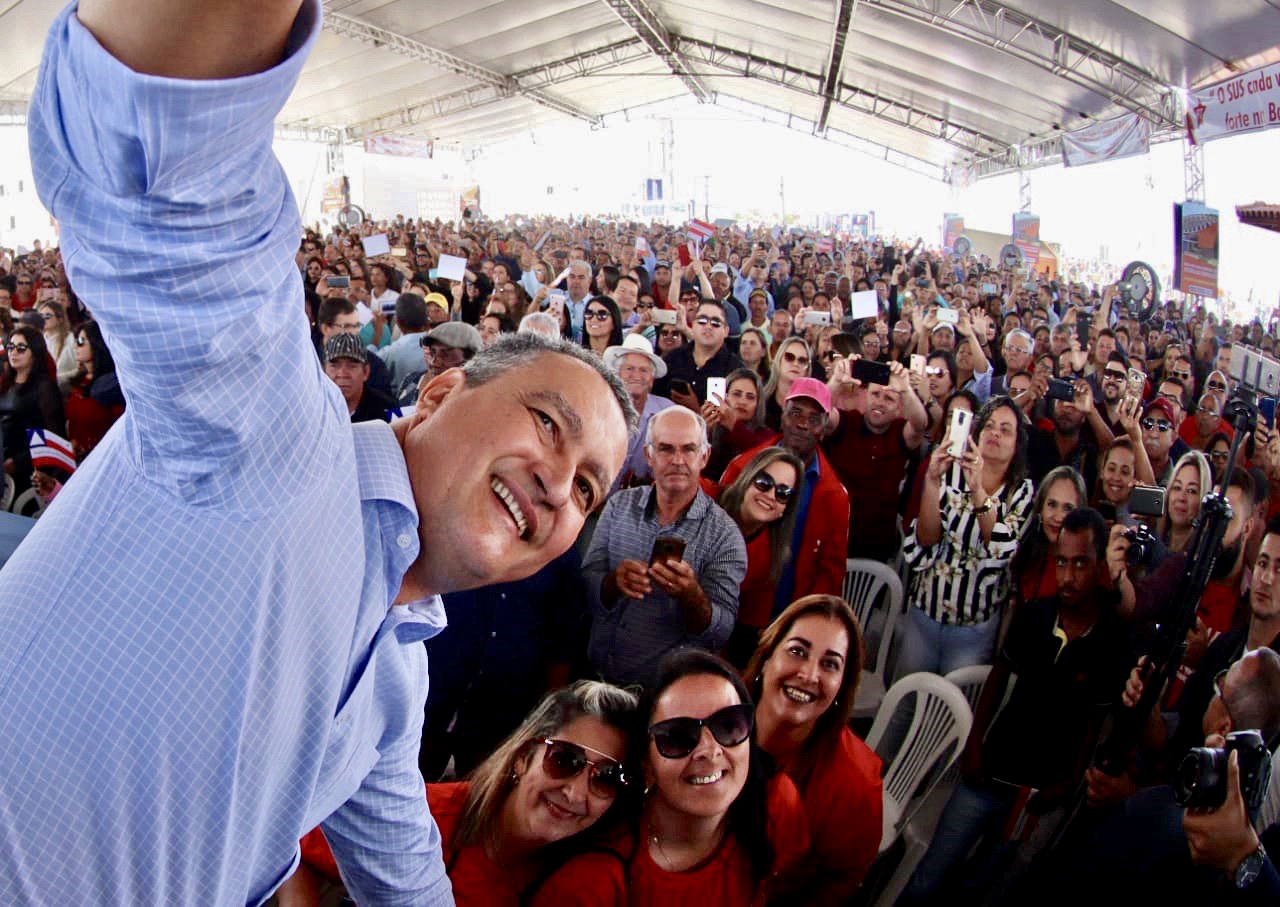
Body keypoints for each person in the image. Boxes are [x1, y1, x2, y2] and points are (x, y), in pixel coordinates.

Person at [2, 5, 636, 901]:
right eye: (547, 421)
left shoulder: (393, 672)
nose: (558, 486)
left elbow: (407, 869)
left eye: (587, 490)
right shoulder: (279, 440)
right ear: (441, 391)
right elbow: (165, 186)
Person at [901, 508, 1134, 904]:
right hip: (990, 771)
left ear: (1099, 567)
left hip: (1038, 793)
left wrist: (1068, 781)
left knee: (982, 886)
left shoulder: (1112, 640)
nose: (1069, 576)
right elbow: (997, 678)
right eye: (1062, 562)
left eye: (1080, 563)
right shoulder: (1034, 615)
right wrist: (974, 746)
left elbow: (1095, 721)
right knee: (929, 876)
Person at [286, 681, 640, 906]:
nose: (576, 792)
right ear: (522, 758)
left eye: (607, 778)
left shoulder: (586, 876)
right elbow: (298, 845)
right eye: (564, 760)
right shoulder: (424, 817)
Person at [528, 650, 810, 906]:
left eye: (729, 725)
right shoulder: (589, 885)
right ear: (646, 765)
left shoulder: (774, 809)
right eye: (678, 736)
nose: (709, 751)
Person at [584, 406, 747, 688]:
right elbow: (585, 584)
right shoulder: (619, 506)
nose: (677, 460)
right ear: (648, 455)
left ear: (704, 456)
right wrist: (612, 583)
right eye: (666, 449)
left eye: (688, 449)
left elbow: (721, 632)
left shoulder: (725, 536)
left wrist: (692, 596)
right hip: (594, 677)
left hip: (662, 695)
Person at [745, 595, 883, 901]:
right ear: (767, 656)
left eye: (830, 664)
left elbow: (840, 882)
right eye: (797, 651)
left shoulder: (856, 782)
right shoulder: (713, 713)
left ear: (841, 687)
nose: (808, 675)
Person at [898, 396, 1035, 677]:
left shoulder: (1021, 492)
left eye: (1005, 429)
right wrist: (933, 482)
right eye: (989, 426)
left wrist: (978, 491)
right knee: (905, 702)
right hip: (926, 610)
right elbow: (926, 539)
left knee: (951, 713)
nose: (995, 433)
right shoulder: (952, 471)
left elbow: (1001, 548)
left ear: (1017, 443)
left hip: (973, 628)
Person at [720, 378, 850, 617]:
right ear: (782, 415)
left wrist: (810, 620)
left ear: (823, 429)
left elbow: (830, 573)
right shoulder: (742, 467)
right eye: (796, 413)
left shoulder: (835, 496)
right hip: (732, 604)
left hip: (790, 616)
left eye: (814, 419)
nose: (802, 424)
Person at [822, 355, 928, 562]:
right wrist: (836, 381)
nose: (880, 402)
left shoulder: (900, 433)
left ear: (899, 408)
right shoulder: (847, 421)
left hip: (876, 546)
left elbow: (920, 425)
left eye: (889, 398)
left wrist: (905, 389)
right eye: (876, 394)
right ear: (866, 396)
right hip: (834, 538)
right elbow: (819, 411)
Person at [716, 447, 803, 666]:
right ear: (747, 479)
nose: (771, 496)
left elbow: (747, 632)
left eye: (783, 493)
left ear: (785, 508)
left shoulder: (770, 556)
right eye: (764, 483)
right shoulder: (706, 498)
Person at [602, 333, 673, 489]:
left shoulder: (668, 411)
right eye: (629, 369)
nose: (636, 376)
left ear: (652, 379)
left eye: (643, 370)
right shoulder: (599, 407)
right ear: (617, 374)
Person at [0, 324, 65, 493]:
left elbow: (54, 435)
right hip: (4, 456)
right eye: (11, 347)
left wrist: (18, 461)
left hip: (30, 467)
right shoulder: (6, 382)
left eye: (21, 348)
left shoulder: (44, 387)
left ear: (35, 352)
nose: (13, 352)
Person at [1012, 465, 1087, 603]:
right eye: (1052, 504)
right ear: (1041, 507)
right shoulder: (1024, 554)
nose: (1058, 517)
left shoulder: (1085, 567)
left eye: (1068, 508)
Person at [656, 299, 743, 411]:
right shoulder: (672, 359)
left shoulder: (735, 369)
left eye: (715, 323)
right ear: (692, 325)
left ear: (726, 331)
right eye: (702, 320)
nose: (708, 326)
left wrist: (697, 410)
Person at [64, 319, 125, 461]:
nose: (75, 346)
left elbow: (117, 432)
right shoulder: (78, 382)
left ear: (98, 343)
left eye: (81, 341)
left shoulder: (112, 387)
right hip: (78, 458)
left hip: (105, 459)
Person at [1159, 450, 1211, 554]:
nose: (1181, 498)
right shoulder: (1155, 540)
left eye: (1191, 491)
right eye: (1177, 488)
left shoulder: (1202, 554)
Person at [760, 336, 811, 432]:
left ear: (807, 369)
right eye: (789, 357)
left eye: (802, 360)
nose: (795, 363)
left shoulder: (811, 406)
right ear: (779, 361)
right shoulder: (760, 400)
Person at [37, 299, 77, 392]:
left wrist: (57, 377)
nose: (43, 319)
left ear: (60, 319)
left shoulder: (71, 340)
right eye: (40, 316)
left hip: (63, 390)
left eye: (47, 316)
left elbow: (80, 369)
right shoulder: (38, 339)